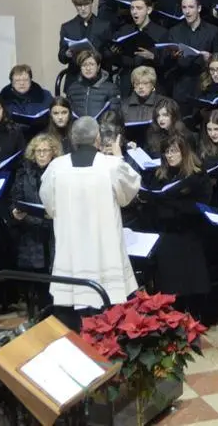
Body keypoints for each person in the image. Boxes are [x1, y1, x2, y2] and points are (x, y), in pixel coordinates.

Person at [39, 116, 141, 308]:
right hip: (104, 246)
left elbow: (49, 205)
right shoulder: (111, 165)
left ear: (73, 139)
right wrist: (118, 156)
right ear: (98, 139)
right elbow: (128, 193)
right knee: (108, 306)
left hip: (72, 247)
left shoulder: (56, 167)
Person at [141, 135, 213, 313]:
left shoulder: (197, 176)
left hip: (190, 235)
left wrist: (171, 202)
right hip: (167, 235)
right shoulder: (159, 175)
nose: (169, 156)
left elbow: (201, 207)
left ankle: (194, 322)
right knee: (169, 287)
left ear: (184, 152)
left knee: (192, 285)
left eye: (174, 151)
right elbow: (153, 206)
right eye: (166, 152)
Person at [9, 133, 62, 311]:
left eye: (45, 150)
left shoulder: (60, 171)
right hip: (32, 233)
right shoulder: (24, 172)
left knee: (57, 280)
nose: (41, 154)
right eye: (38, 151)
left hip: (56, 232)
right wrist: (16, 213)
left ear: (53, 152)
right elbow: (16, 199)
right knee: (39, 285)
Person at [65, 50, 120, 119]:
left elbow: (114, 115)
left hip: (102, 128)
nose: (88, 68)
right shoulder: (72, 88)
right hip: (78, 127)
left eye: (91, 64)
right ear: (80, 67)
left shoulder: (111, 88)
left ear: (98, 67)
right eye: (84, 65)